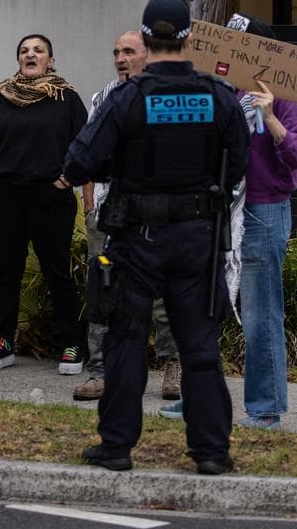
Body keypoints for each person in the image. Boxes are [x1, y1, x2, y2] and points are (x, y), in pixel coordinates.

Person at [62, 0, 249, 474]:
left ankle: (117, 446)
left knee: (126, 339)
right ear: (190, 38)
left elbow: (78, 162)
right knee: (199, 346)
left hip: (137, 237)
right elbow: (239, 163)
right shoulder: (218, 93)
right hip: (197, 237)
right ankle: (210, 450)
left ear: (145, 40)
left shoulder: (127, 97)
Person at [75, 30, 187, 402]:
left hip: (158, 213)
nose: (120, 58)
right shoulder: (103, 98)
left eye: (129, 51)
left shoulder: (169, 97)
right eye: (116, 51)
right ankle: (98, 371)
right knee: (103, 290)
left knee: (162, 294)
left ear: (149, 55)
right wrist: (90, 207)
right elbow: (86, 154)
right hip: (109, 212)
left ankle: (172, 364)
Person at [0, 33, 88, 374]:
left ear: (50, 60)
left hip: (50, 196)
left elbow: (84, 142)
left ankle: (72, 344)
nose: (30, 54)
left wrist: (65, 180)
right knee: (7, 272)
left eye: (38, 50)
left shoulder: (66, 98)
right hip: (4, 196)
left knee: (57, 272)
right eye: (24, 51)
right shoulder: (1, 97)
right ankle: (2, 343)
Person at [226, 13, 297, 430]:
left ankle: (265, 409)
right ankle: (198, 397)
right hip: (222, 210)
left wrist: (272, 117)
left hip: (262, 210)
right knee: (205, 306)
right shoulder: (222, 89)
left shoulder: (279, 94)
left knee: (261, 313)